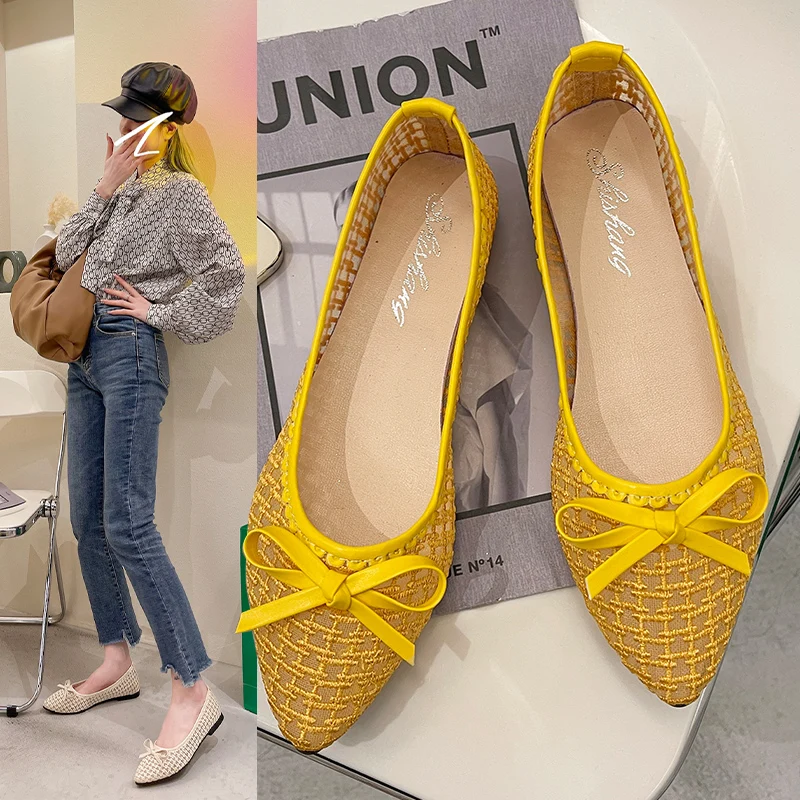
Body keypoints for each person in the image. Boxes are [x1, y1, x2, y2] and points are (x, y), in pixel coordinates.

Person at [41, 62, 245, 786]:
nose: (124, 129)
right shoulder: (118, 190)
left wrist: (157, 312)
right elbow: (63, 258)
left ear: (165, 127)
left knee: (129, 522)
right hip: (85, 359)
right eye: (122, 117)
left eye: (136, 119)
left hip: (129, 351)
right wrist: (102, 188)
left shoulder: (181, 195)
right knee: (89, 521)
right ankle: (117, 658)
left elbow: (226, 279)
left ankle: (192, 687)